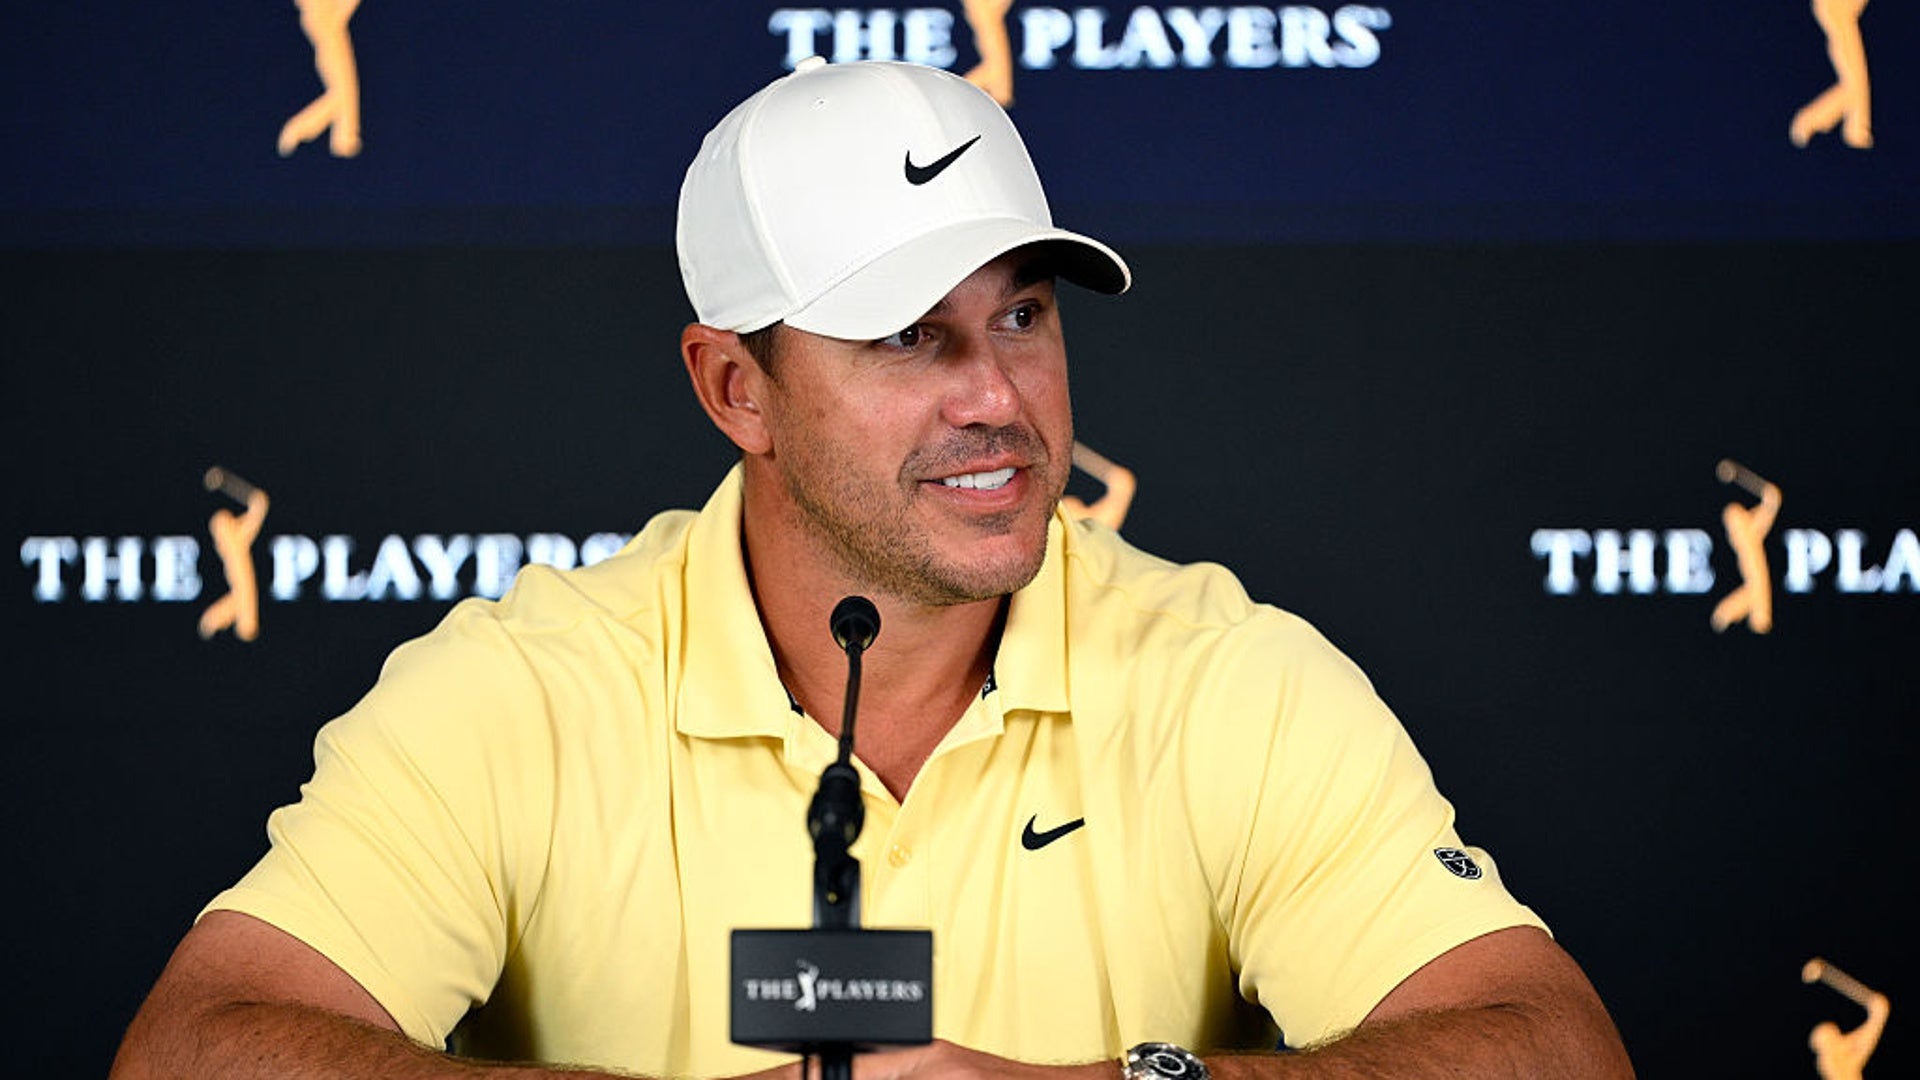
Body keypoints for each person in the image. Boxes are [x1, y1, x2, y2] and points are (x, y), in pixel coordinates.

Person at [112, 59, 1633, 1079]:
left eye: (1023, 316)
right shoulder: (524, 688)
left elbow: (1550, 1047)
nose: (997, 398)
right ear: (735, 390)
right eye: (910, 335)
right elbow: (199, 1045)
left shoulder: (1226, 676)